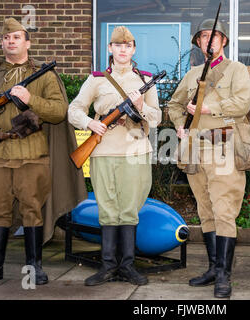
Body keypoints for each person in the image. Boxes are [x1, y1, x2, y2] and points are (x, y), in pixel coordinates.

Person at [0, 18, 86, 286]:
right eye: (7, 38)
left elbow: (59, 111)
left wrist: (31, 100)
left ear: (27, 42)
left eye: (17, 37)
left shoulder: (44, 73)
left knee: (32, 210)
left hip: (32, 155)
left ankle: (34, 268)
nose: (11, 41)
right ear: (2, 42)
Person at [68, 26, 161, 287]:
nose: (122, 50)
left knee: (129, 209)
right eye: (117, 45)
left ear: (133, 49)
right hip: (104, 150)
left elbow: (157, 117)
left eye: (128, 45)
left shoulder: (145, 80)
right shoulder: (97, 79)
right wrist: (89, 124)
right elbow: (74, 109)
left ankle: (128, 266)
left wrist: (142, 107)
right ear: (110, 49)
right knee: (108, 208)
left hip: (134, 151)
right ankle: (108, 266)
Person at [168, 19, 250, 298]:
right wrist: (180, 123)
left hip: (224, 148)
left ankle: (224, 277)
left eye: (214, 36)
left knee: (224, 211)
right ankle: (213, 268)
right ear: (199, 43)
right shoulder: (192, 74)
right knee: (205, 210)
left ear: (224, 41)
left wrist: (207, 107)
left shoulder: (238, 70)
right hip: (194, 148)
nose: (209, 41)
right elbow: (175, 103)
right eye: (204, 37)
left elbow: (242, 105)